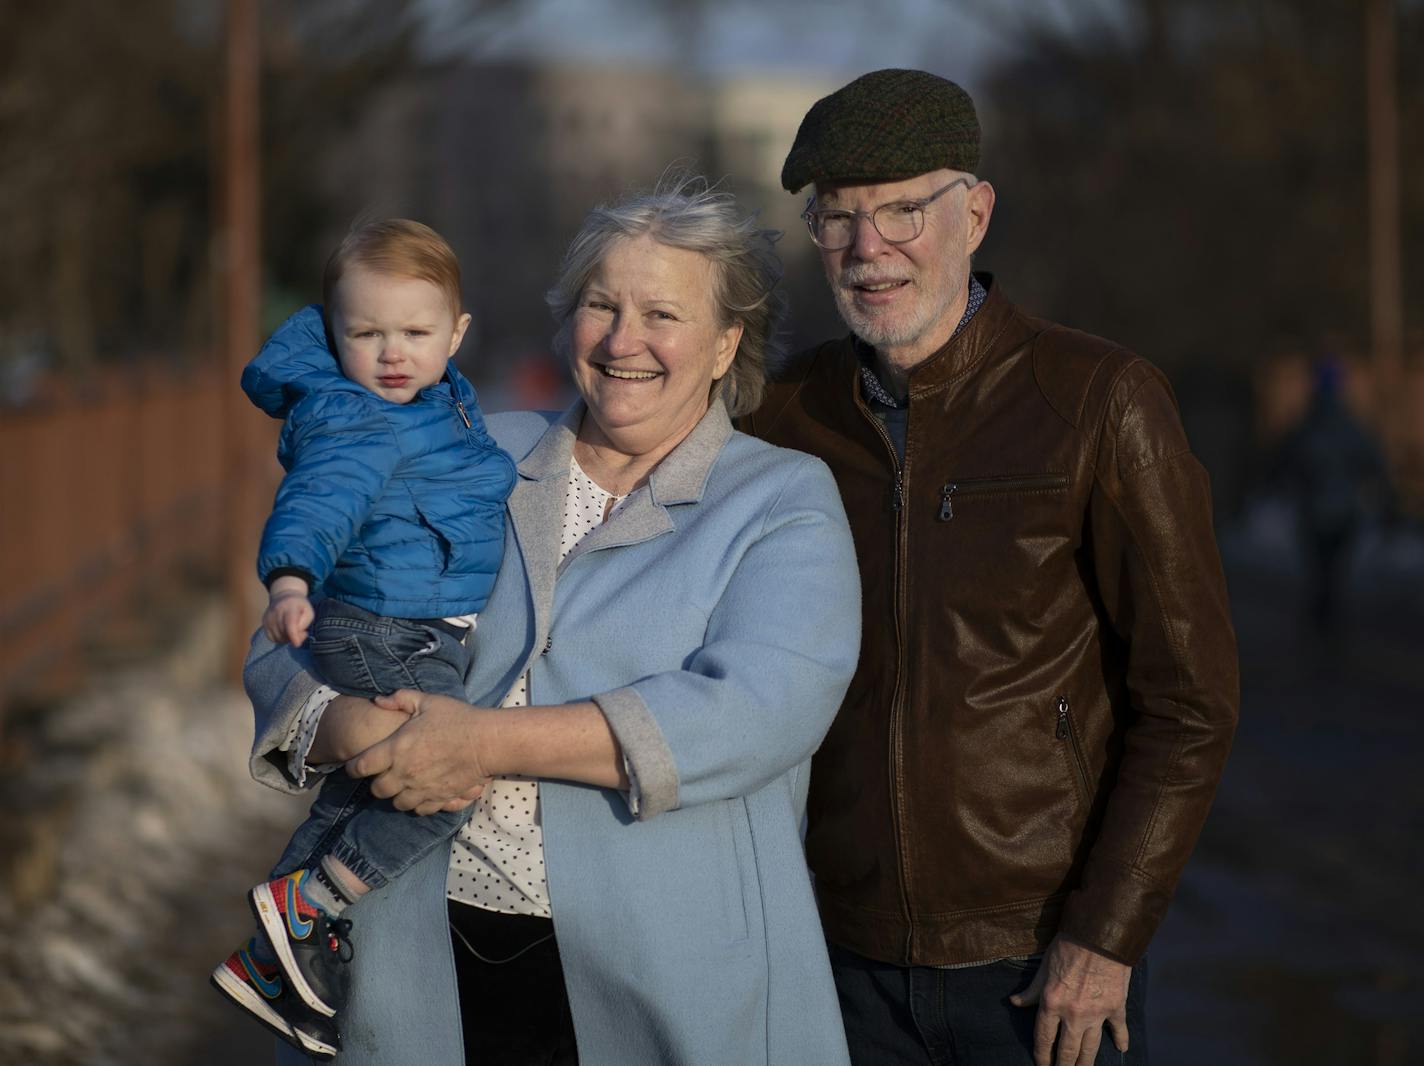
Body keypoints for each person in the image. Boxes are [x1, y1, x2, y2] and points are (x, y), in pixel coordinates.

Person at [239, 175, 862, 1065]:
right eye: (600, 305)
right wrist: (345, 725)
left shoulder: (781, 502)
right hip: (420, 960)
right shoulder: (470, 452)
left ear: (727, 345)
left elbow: (758, 708)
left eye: (662, 315)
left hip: (665, 981)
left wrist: (482, 743)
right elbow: (284, 643)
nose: (624, 341)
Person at [742, 69, 1240, 1066]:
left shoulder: (1098, 400)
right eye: (835, 219)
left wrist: (1103, 937)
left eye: (898, 212)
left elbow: (1188, 701)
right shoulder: (783, 415)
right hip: (833, 958)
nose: (866, 249)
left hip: (1036, 964)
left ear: (972, 213)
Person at [212, 219, 517, 1057]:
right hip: (387, 627)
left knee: (367, 789)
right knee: (447, 780)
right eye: (366, 333)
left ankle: (281, 950)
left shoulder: (441, 399)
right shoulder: (358, 417)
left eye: (415, 334)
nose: (391, 353)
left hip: (415, 625)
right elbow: (322, 498)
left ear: (455, 335)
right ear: (332, 328)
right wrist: (289, 580)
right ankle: (313, 905)